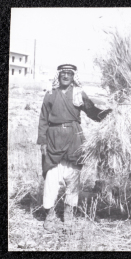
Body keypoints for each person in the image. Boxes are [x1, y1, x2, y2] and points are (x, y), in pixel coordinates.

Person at [37, 64, 112, 232]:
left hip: (74, 138)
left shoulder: (79, 94)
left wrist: (108, 114)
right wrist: (42, 142)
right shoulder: (50, 94)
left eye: (69, 73)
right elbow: (43, 119)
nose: (65, 76)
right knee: (51, 177)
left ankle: (68, 214)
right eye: (63, 73)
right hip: (53, 138)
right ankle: (49, 215)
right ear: (59, 75)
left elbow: (92, 112)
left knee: (73, 177)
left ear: (73, 76)